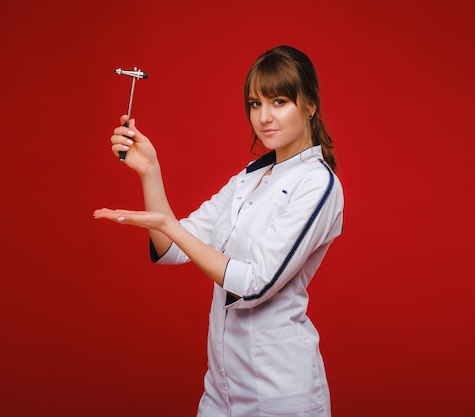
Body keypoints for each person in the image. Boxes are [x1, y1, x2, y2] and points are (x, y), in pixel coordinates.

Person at [94, 45, 344, 417]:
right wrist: (150, 172)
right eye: (255, 104)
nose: (264, 117)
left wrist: (167, 226)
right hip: (222, 390)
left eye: (279, 101)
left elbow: (254, 283)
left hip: (280, 395)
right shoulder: (250, 177)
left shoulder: (318, 185)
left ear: (309, 105)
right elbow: (172, 248)